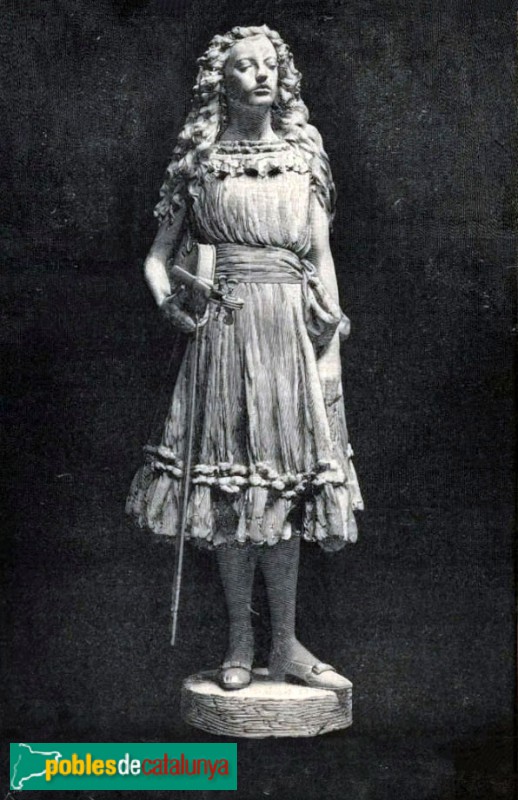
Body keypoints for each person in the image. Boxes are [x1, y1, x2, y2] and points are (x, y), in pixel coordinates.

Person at [127, 24, 363, 691]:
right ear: (220, 82)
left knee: (281, 489)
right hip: (224, 335)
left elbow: (321, 259)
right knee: (233, 494)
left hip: (289, 334)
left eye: (269, 65)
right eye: (245, 66)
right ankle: (240, 641)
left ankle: (285, 645)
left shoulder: (304, 156)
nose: (261, 74)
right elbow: (157, 257)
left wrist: (331, 346)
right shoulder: (200, 163)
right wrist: (169, 303)